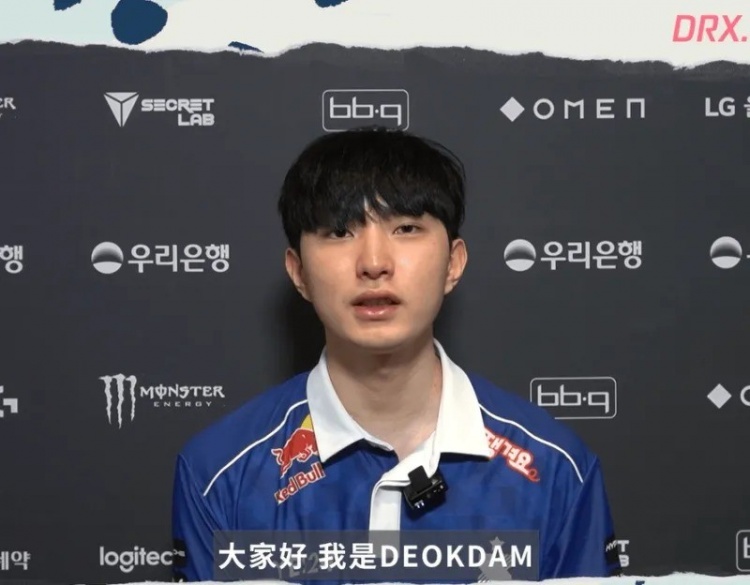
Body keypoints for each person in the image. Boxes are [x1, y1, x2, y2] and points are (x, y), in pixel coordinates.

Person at [171, 127, 621, 583]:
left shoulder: (554, 468)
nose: (374, 263)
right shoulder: (221, 472)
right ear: (298, 272)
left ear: (453, 263)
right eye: (340, 231)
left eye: (406, 229)